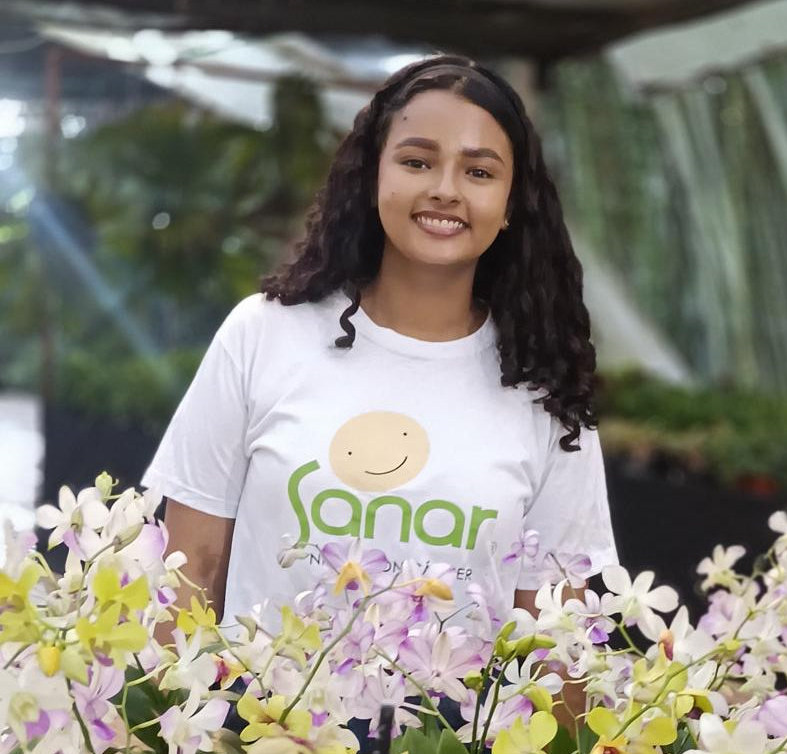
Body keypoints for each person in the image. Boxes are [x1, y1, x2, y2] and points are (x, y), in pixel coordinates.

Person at [143, 55, 617, 642]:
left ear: (512, 203)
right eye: (417, 161)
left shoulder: (544, 384)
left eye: (479, 172)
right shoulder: (264, 334)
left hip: (456, 735)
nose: (444, 190)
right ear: (373, 178)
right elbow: (189, 572)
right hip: (261, 727)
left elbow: (556, 637)